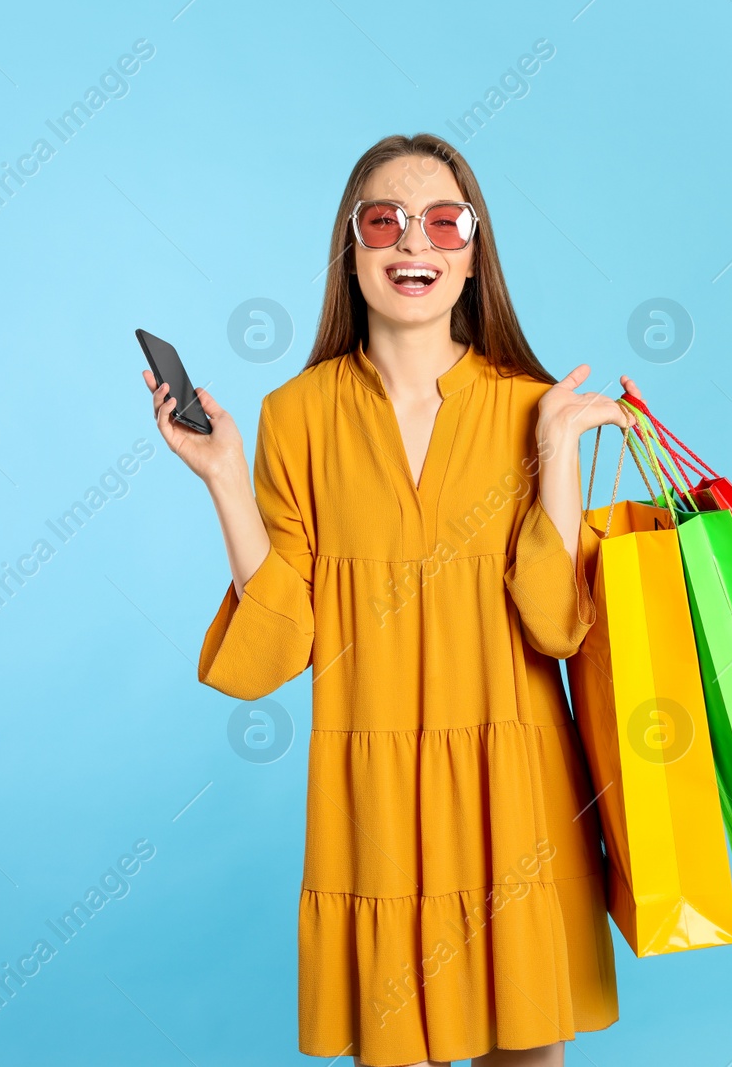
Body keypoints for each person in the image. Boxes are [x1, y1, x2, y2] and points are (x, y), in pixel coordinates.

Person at [142, 133, 641, 1067]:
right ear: (352, 247)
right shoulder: (295, 416)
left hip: (515, 790)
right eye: (386, 220)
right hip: (373, 802)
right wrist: (223, 480)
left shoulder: (527, 404)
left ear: (474, 250)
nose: (416, 242)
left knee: (526, 1052)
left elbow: (553, 621)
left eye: (445, 221)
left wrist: (559, 455)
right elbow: (284, 634)